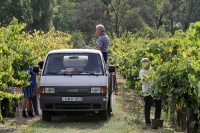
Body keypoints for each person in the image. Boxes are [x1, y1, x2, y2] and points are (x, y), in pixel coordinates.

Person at [139, 58, 162, 126]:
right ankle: (148, 121)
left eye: (147, 62)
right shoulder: (141, 71)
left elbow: (156, 78)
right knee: (147, 106)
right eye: (144, 62)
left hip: (155, 91)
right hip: (146, 91)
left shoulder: (152, 70)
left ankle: (157, 118)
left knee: (158, 104)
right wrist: (150, 77)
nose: (146, 64)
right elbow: (143, 79)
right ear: (142, 64)